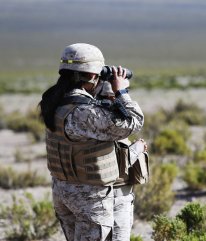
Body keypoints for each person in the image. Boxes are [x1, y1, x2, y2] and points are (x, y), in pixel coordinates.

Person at [39, 43, 146, 241]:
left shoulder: (55, 102)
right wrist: (122, 92)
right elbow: (133, 123)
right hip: (89, 198)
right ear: (91, 75)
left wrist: (105, 92)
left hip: (65, 191)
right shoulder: (84, 112)